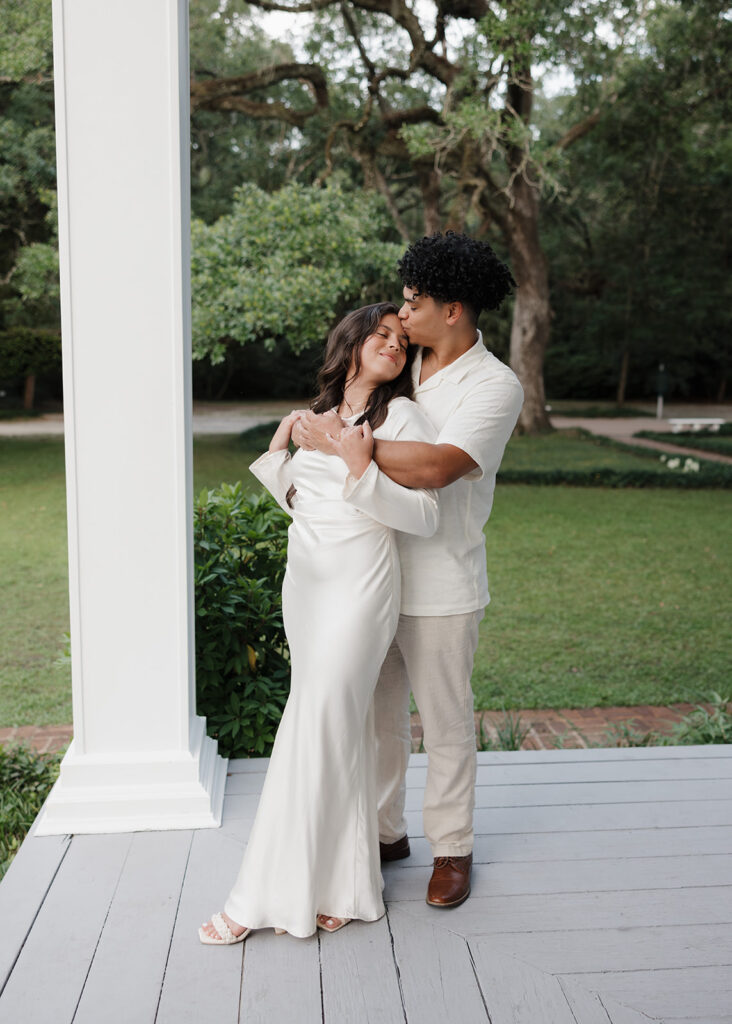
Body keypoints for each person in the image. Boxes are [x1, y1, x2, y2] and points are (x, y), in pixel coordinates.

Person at [294, 232, 523, 910]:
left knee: (446, 719)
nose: (402, 313)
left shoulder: (496, 385)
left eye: (414, 302)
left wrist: (340, 444)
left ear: (453, 310)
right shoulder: (401, 362)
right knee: (378, 713)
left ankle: (452, 850)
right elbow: (349, 408)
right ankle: (386, 832)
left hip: (444, 578)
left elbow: (437, 467)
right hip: (370, 574)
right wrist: (333, 440)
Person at [199, 302, 439, 944]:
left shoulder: (403, 416)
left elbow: (425, 517)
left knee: (315, 722)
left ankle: (256, 897)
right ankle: (350, 886)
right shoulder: (314, 415)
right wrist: (280, 446)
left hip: (361, 587)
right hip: (306, 584)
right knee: (337, 727)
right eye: (380, 334)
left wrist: (361, 466)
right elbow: (301, 501)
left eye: (401, 338)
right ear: (353, 342)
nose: (392, 344)